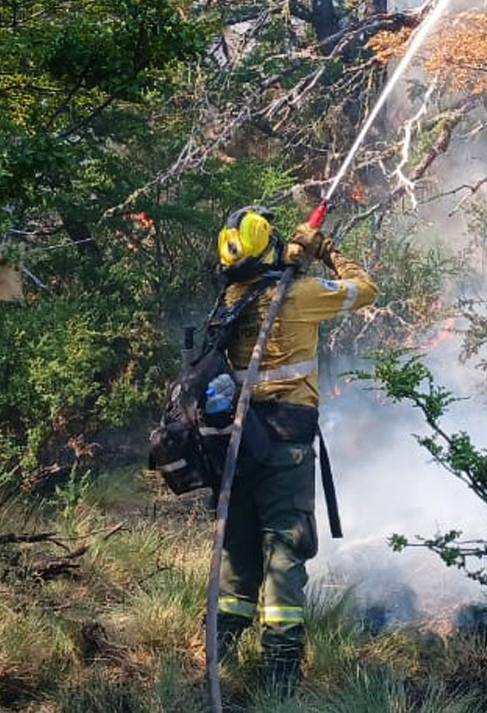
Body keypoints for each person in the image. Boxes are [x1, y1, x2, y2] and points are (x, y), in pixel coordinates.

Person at [211, 205, 378, 694]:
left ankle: (217, 660)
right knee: (284, 552)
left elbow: (266, 290)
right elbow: (366, 290)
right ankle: (281, 674)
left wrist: (289, 262)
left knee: (238, 555)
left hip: (241, 447)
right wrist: (324, 250)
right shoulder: (300, 296)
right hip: (286, 448)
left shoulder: (232, 296)